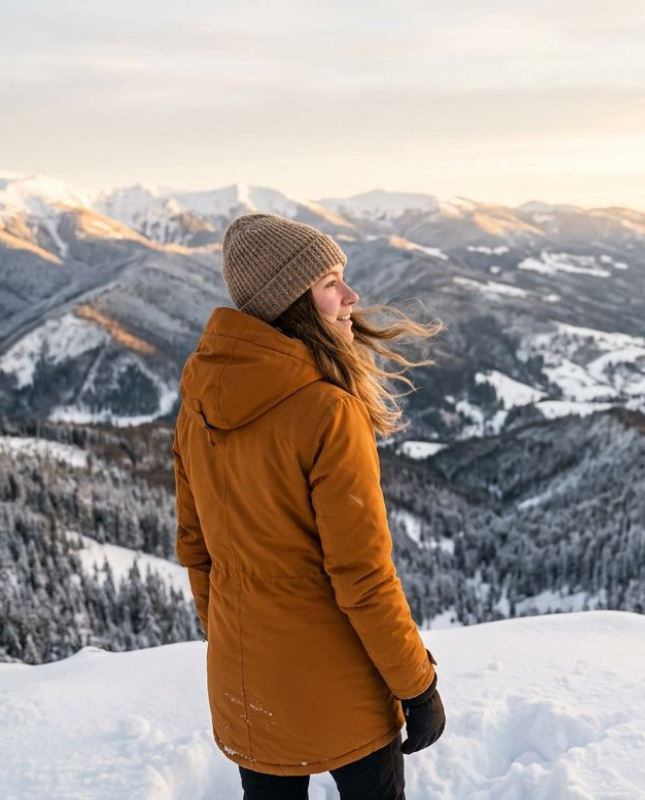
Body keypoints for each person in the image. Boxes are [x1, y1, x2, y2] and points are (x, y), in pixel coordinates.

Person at [172, 213, 446, 800]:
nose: (351, 297)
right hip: (342, 689)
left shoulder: (197, 399)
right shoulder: (327, 411)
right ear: (293, 302)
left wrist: (236, 641)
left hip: (245, 687)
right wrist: (417, 686)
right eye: (329, 283)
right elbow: (363, 577)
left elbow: (197, 553)